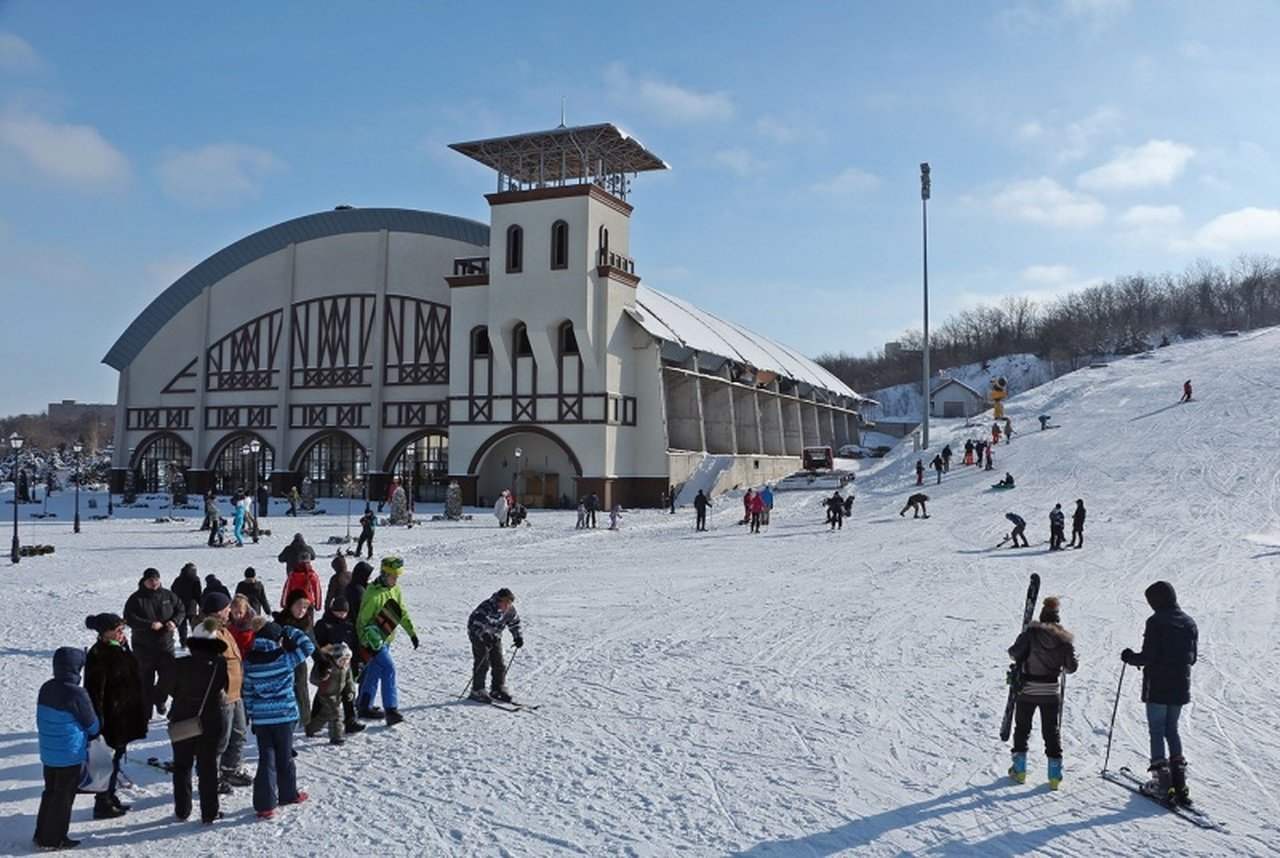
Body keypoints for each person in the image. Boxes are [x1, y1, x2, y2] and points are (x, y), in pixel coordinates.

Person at [1121, 581, 1198, 806]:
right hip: (1180, 686)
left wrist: (1129, 657)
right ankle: (1179, 782)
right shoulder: (1189, 623)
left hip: (1157, 685)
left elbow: (1149, 656)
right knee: (1171, 729)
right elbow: (1192, 658)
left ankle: (1161, 782)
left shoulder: (1156, 622)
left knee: (1156, 728)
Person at [157, 618, 228, 824]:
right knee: (208, 768)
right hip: (212, 718)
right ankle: (209, 812)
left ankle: (183, 810)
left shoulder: (178, 665)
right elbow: (227, 687)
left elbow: (163, 689)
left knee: (182, 766)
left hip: (183, 717)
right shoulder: (220, 665)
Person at [242, 621, 314, 819]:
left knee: (266, 759)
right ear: (277, 640)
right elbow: (308, 646)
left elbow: (247, 691)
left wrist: (251, 715)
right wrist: (289, 629)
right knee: (285, 756)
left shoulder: (249, 661)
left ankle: (264, 805)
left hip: (262, 718)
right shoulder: (284, 659)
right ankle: (288, 794)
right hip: (284, 715)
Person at [1007, 596, 1078, 789]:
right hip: (1050, 691)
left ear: (1042, 616)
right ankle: (1054, 775)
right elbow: (1071, 667)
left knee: (1022, 728)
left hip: (1028, 689)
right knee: (1051, 731)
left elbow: (1014, 653)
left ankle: (1019, 770)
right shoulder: (1064, 640)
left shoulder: (1030, 634)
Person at [84, 613, 148, 820]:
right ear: (105, 633)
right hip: (111, 719)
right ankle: (102, 802)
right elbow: (95, 692)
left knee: (117, 758)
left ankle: (110, 795)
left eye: (122, 629)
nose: (122, 633)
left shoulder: (118, 648)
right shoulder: (99, 654)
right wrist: (99, 722)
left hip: (123, 714)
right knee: (108, 760)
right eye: (117, 629)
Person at [34, 647, 99, 850]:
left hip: (48, 751)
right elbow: (92, 725)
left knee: (50, 792)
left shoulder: (47, 687)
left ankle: (41, 833)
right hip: (69, 753)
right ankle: (54, 839)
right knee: (63, 798)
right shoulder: (76, 693)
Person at [198, 591, 253, 794]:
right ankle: (213, 776)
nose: (230, 611)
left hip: (236, 693)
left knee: (238, 735)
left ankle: (231, 769)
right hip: (221, 697)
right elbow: (205, 667)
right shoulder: (206, 632)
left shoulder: (224, 629)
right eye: (227, 608)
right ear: (218, 611)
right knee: (220, 739)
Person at [355, 556, 419, 725]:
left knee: (374, 672)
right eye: (393, 576)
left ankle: (364, 706)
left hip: (387, 638)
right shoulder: (372, 595)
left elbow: (401, 611)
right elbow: (362, 623)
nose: (396, 580)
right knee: (389, 669)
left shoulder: (395, 589)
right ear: (384, 575)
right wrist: (370, 643)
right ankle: (391, 710)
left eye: (397, 577)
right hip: (373, 642)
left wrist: (412, 632)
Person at [123, 567, 183, 717]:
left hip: (166, 646)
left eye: (156, 579)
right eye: (151, 580)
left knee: (168, 678)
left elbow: (181, 609)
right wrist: (149, 624)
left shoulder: (168, 595)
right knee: (145, 682)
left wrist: (174, 622)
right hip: (144, 648)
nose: (154, 582)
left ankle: (160, 699)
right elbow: (129, 618)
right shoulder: (136, 599)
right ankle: (146, 713)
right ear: (144, 581)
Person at [314, 596, 365, 735]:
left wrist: (357, 662)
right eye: (339, 612)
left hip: (345, 664)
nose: (342, 615)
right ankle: (314, 720)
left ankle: (350, 721)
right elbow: (316, 645)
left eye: (344, 612)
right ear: (333, 610)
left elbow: (354, 644)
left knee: (348, 692)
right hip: (329, 665)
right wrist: (326, 653)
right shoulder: (323, 624)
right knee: (324, 692)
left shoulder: (349, 625)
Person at [467, 588, 524, 703]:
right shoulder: (486, 607)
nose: (508, 605)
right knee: (483, 661)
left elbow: (514, 623)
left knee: (499, 663)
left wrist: (517, 637)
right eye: (505, 602)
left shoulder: (510, 610)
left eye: (510, 602)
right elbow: (475, 624)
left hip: (495, 636)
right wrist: (484, 635)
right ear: (499, 600)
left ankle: (497, 689)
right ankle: (477, 690)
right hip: (478, 635)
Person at [275, 590, 316, 727]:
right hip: (283, 665)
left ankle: (305, 721)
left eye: (305, 607)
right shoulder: (280, 623)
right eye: (298, 606)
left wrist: (321, 661)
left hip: (299, 664)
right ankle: (287, 723)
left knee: (302, 692)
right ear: (290, 605)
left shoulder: (307, 621)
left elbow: (313, 643)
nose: (301, 611)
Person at [307, 642, 356, 744]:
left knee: (325, 715)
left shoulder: (346, 668)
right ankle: (336, 737)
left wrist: (350, 692)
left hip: (337, 694)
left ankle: (311, 728)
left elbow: (349, 681)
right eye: (342, 660)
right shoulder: (326, 665)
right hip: (326, 694)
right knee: (336, 714)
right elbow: (313, 679)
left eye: (347, 660)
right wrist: (323, 676)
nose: (344, 663)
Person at [171, 562, 203, 648]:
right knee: (194, 626)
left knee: (182, 627)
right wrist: (201, 605)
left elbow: (172, 590)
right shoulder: (195, 579)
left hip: (179, 606)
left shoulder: (178, 579)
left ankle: (183, 643)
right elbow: (198, 594)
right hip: (191, 607)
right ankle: (196, 642)